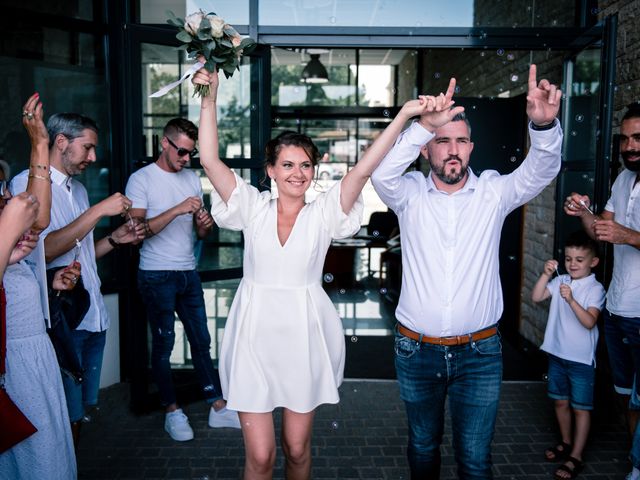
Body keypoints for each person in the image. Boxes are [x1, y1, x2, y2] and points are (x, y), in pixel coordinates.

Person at [193, 63, 436, 479]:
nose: (297, 174)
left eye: (305, 165)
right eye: (287, 165)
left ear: (314, 171)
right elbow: (209, 158)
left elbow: (362, 169)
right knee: (261, 457)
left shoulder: (324, 213)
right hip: (254, 333)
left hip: (303, 336)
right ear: (270, 170)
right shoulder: (251, 207)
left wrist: (404, 117)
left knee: (298, 449)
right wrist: (210, 97)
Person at [370, 64, 563, 479]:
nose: (452, 149)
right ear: (426, 150)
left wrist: (543, 128)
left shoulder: (494, 192)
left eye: (461, 141)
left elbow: (541, 171)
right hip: (415, 350)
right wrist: (423, 125)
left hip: (480, 355)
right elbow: (381, 171)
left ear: (472, 148)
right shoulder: (407, 195)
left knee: (475, 459)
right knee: (422, 447)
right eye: (442, 141)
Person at [12, 112, 145, 448]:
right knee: (62, 416)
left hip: (92, 318)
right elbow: (40, 252)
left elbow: (80, 255)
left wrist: (115, 239)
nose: (93, 157)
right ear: (60, 142)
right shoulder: (25, 186)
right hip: (61, 322)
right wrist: (100, 211)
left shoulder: (80, 191)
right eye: (87, 148)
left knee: (80, 412)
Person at [125, 118, 240, 441]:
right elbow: (136, 234)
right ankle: (172, 411)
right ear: (165, 143)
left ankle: (217, 405)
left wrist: (204, 221)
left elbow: (201, 231)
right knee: (163, 345)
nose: (187, 159)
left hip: (188, 272)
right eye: (182, 152)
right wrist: (176, 210)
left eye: (191, 154)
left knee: (201, 341)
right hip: (155, 274)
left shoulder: (191, 179)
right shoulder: (141, 180)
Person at [0, 94, 79, 479]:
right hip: (9, 357)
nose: (4, 198)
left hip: (34, 349)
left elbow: (37, 218)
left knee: (47, 446)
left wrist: (39, 144)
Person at [564, 102, 640, 480]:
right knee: (626, 395)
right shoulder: (624, 179)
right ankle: (635, 462)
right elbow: (601, 232)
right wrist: (582, 211)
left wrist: (631, 236)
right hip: (617, 310)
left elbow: (622, 235)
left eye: (638, 137)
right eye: (625, 138)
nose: (630, 146)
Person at [531, 230, 605, 479]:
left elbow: (589, 322)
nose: (572, 264)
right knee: (560, 402)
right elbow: (537, 296)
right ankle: (565, 442)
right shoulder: (560, 279)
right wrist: (545, 274)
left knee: (580, 408)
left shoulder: (595, 289)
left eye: (579, 260)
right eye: (569, 258)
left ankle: (577, 456)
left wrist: (572, 300)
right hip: (557, 354)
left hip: (581, 361)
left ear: (593, 262)